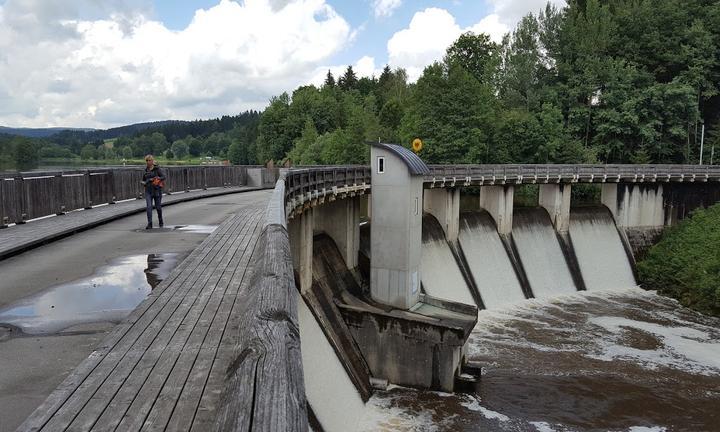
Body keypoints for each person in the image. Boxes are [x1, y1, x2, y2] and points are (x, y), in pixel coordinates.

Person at [141, 154, 165, 229]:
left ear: (152, 161)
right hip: (148, 191)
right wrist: (144, 182)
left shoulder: (157, 169)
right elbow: (143, 180)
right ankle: (149, 224)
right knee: (149, 207)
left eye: (149, 160)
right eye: (147, 160)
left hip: (157, 190)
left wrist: (157, 178)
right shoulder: (145, 170)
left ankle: (160, 221)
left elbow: (164, 177)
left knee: (158, 207)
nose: (148, 162)